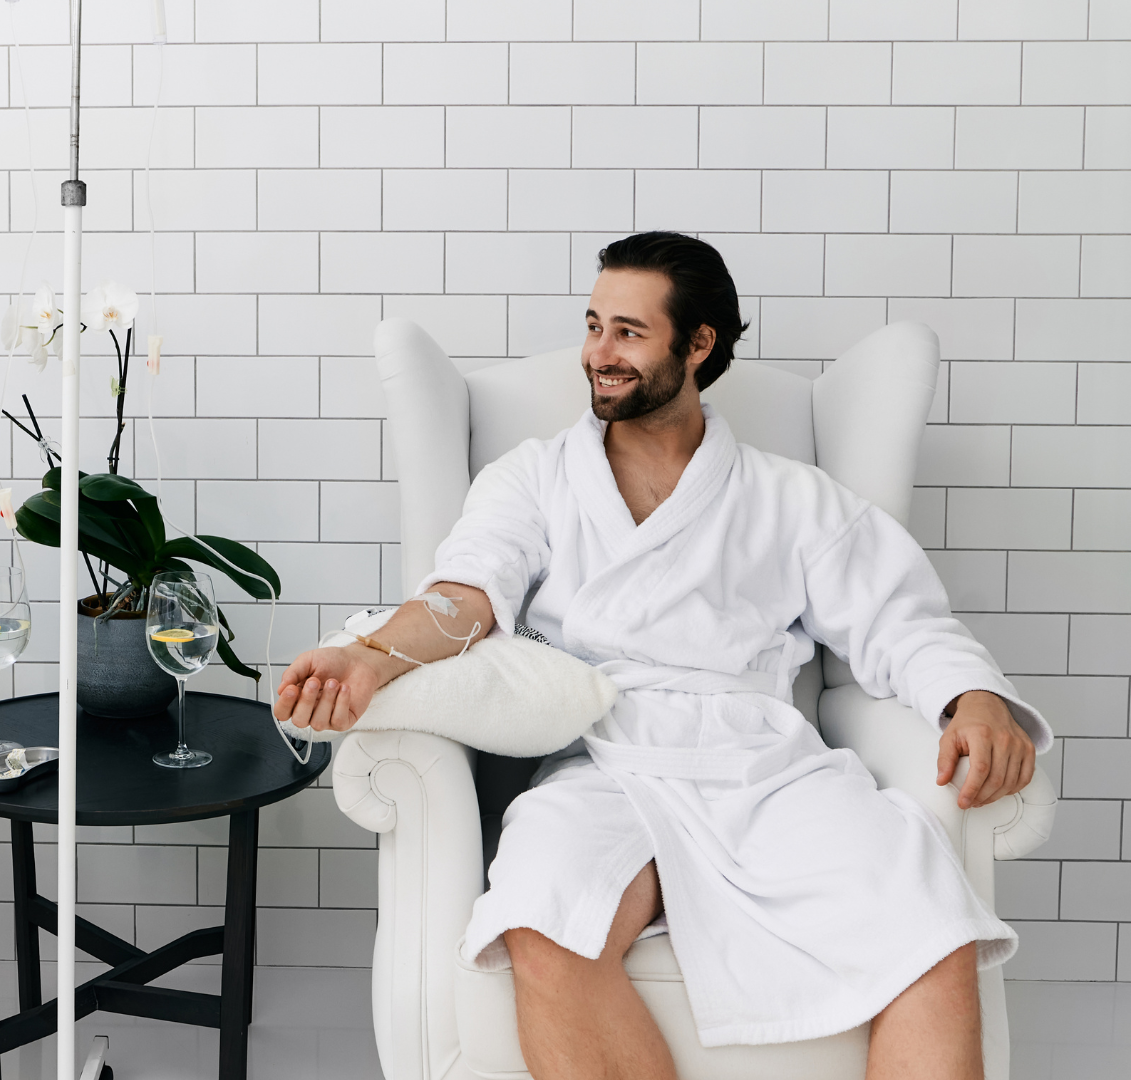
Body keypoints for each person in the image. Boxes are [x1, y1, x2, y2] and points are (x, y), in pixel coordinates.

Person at [274, 233, 1046, 1080]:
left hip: (764, 766)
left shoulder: (789, 496)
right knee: (540, 915)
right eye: (594, 325)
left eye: (629, 333)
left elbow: (901, 621)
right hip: (607, 755)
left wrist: (970, 697)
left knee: (931, 925)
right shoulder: (532, 479)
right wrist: (374, 654)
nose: (598, 354)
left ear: (699, 343)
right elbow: (465, 596)